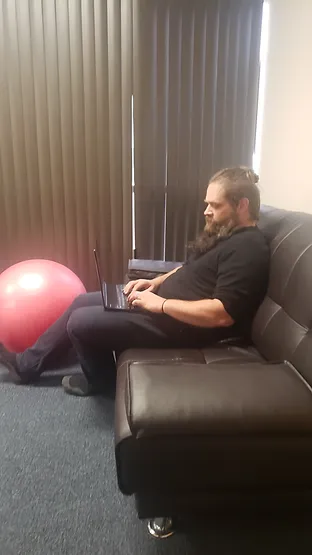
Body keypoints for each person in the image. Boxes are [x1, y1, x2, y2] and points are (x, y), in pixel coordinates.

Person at [0, 166, 270, 397]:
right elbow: (189, 270)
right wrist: (155, 283)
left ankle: (103, 382)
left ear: (242, 205)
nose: (206, 212)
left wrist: (160, 304)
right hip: (164, 306)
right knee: (82, 300)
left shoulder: (248, 249)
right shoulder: (226, 235)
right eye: (207, 204)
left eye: (215, 205)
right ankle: (28, 365)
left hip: (184, 327)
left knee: (81, 322)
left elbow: (221, 315)